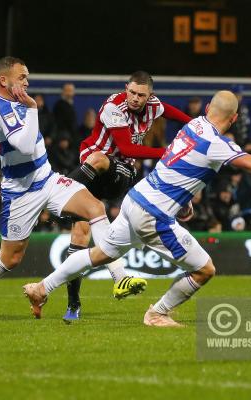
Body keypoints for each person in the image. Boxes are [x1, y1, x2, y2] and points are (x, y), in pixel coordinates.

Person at [23, 90, 251, 325]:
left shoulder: (195, 125)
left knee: (98, 254)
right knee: (204, 270)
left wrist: (180, 204)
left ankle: (42, 288)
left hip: (136, 198)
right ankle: (157, 313)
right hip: (153, 213)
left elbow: (176, 162)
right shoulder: (217, 143)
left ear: (208, 109)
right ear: (234, 119)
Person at [0, 57, 131, 321]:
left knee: (95, 208)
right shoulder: (3, 109)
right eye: (22, 77)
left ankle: (120, 278)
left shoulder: (3, 106)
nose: (27, 82)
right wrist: (32, 109)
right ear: (4, 81)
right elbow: (25, 145)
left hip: (47, 179)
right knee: (10, 259)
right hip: (20, 193)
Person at [62, 71, 192, 322]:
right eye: (131, 92)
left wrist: (200, 128)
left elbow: (183, 119)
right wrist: (169, 152)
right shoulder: (114, 106)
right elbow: (128, 147)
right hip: (93, 167)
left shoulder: (155, 106)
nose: (134, 98)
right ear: (126, 88)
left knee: (105, 168)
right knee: (80, 234)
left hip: (121, 172)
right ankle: (74, 304)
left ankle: (59, 196)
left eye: (140, 95)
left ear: (149, 96)